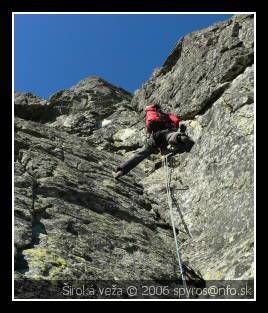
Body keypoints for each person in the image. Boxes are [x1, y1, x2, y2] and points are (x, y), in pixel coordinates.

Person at [113, 103, 194, 179]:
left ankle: (121, 171)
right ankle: (178, 137)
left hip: (154, 138)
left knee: (140, 154)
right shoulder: (166, 115)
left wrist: (149, 132)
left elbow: (149, 127)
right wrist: (174, 128)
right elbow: (176, 120)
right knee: (170, 137)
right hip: (166, 133)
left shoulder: (150, 115)